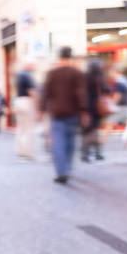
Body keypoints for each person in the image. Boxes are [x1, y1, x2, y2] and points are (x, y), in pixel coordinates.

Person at [39, 46, 89, 183]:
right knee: (70, 143)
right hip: (73, 113)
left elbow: (46, 93)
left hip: (57, 113)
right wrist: (84, 110)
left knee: (58, 143)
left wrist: (41, 109)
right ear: (70, 57)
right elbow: (81, 93)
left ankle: (61, 171)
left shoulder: (52, 73)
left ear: (60, 57)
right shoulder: (77, 73)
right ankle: (68, 168)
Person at [81, 59, 107, 162]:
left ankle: (86, 154)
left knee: (87, 131)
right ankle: (98, 153)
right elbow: (107, 90)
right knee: (95, 131)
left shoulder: (85, 76)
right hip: (96, 108)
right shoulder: (99, 77)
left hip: (85, 108)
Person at [14, 62, 37, 158]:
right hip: (26, 102)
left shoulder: (19, 75)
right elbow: (31, 91)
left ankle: (20, 150)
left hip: (18, 101)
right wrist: (37, 102)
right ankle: (27, 152)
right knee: (28, 128)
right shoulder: (28, 75)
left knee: (20, 128)